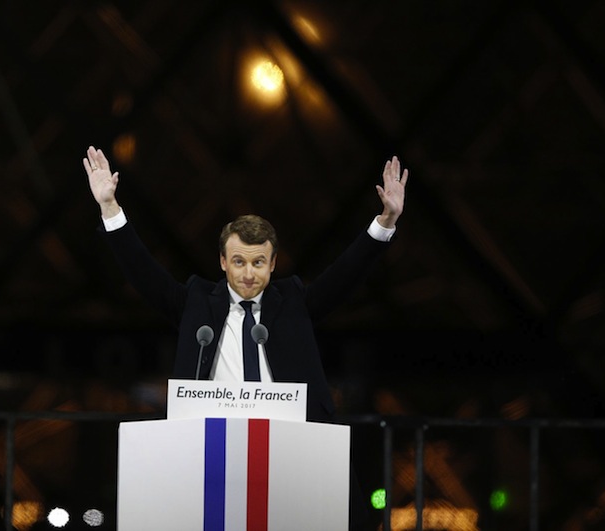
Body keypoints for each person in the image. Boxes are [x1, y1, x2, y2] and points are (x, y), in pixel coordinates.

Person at [84, 144, 408, 530]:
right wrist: (109, 208)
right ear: (223, 262)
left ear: (273, 264)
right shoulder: (196, 302)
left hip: (294, 456)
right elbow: (141, 271)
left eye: (258, 263)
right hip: (208, 456)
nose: (249, 274)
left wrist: (386, 220)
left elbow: (346, 273)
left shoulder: (294, 302)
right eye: (238, 262)